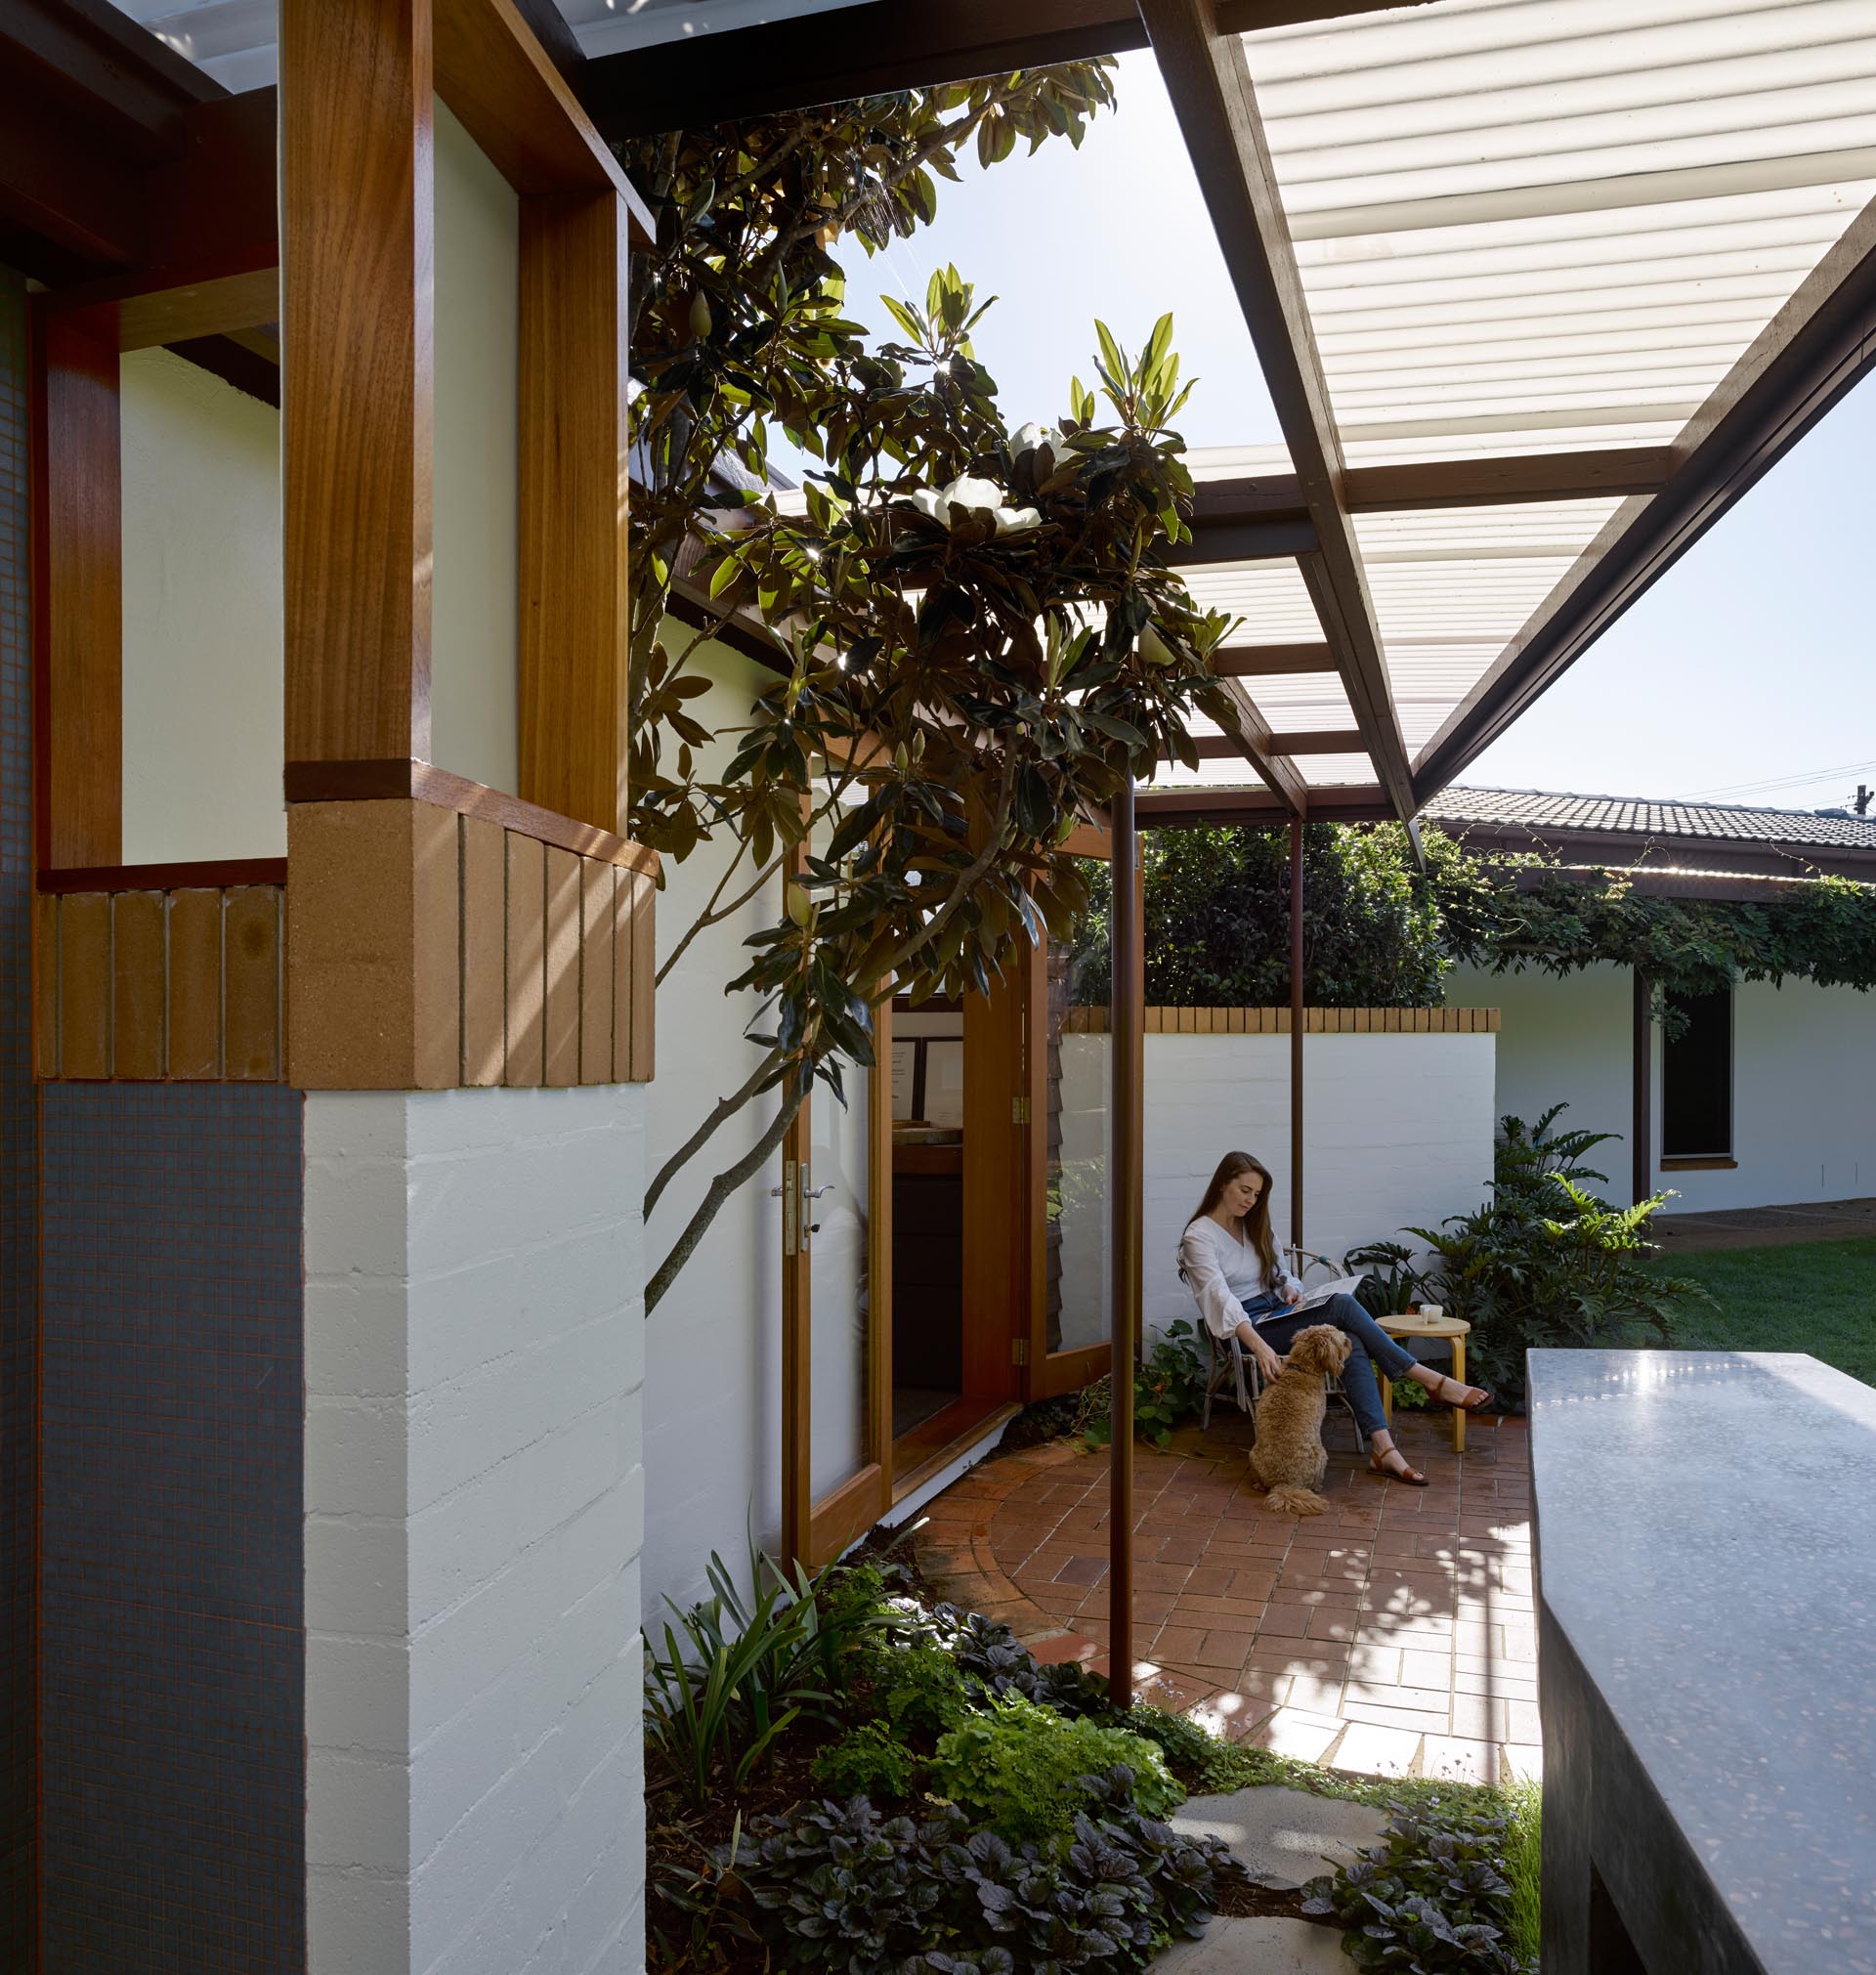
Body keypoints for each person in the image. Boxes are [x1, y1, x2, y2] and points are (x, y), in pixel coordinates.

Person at [1176, 1150, 1491, 1487]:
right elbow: (1219, 1298)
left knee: (1351, 1340)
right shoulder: (1200, 1237)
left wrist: (1291, 1291)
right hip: (1247, 1328)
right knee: (1341, 1305)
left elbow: (1283, 1273)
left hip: (1278, 1312)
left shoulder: (1254, 1227)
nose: (1251, 1201)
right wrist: (1260, 1346)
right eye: (1244, 1190)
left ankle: (1383, 1449)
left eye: (1256, 1194)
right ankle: (1428, 1379)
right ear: (1223, 1184)